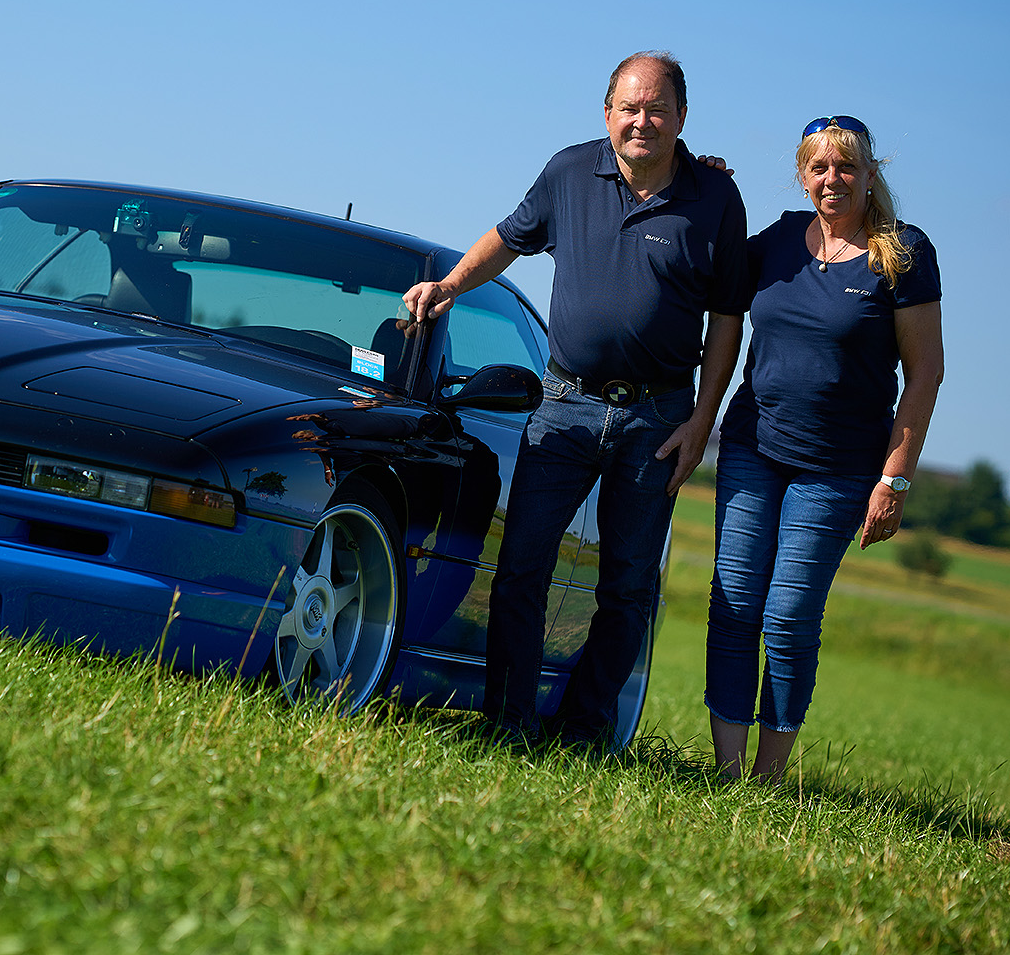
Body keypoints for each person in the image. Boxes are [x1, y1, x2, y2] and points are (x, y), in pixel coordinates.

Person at [404, 51, 750, 747]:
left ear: (682, 117)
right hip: (565, 407)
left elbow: (727, 321)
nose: (642, 121)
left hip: (658, 418)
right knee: (521, 569)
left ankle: (583, 732)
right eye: (630, 107)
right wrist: (450, 284)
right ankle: (508, 724)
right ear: (607, 113)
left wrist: (702, 421)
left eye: (657, 109)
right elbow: (508, 238)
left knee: (628, 587)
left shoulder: (716, 198)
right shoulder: (568, 172)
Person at [706, 115, 943, 782]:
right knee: (734, 605)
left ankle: (768, 779)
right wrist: (706, 185)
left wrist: (894, 479)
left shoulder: (903, 253)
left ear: (869, 174)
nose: (832, 178)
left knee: (788, 618)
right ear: (803, 176)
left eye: (846, 166)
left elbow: (926, 373)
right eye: (819, 166)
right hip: (752, 450)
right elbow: (710, 265)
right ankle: (728, 775)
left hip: (839, 471)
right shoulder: (779, 240)